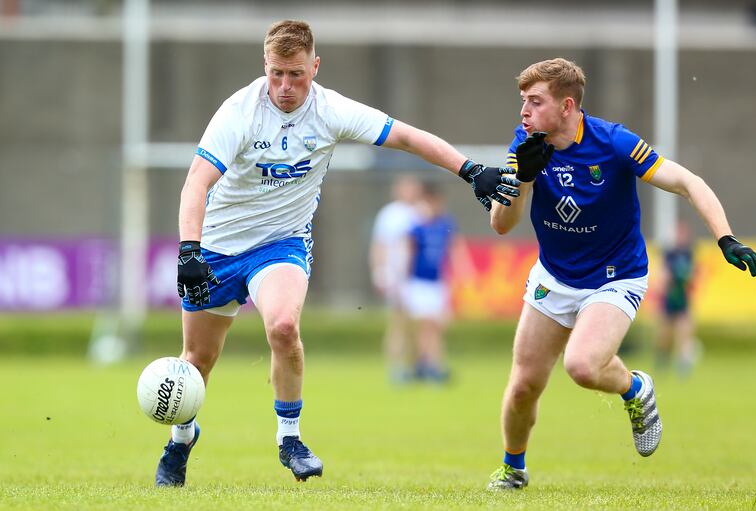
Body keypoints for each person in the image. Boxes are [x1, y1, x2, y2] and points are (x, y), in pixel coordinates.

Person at [157, 19, 521, 487]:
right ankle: (181, 440)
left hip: (280, 243)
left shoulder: (331, 111)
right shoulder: (239, 112)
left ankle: (290, 439)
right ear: (264, 65)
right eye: (276, 74)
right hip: (218, 247)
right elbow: (196, 182)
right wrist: (189, 250)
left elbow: (407, 137)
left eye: (296, 74)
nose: (285, 86)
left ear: (315, 67)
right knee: (197, 360)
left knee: (283, 327)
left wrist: (469, 170)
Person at [486, 58, 756, 490]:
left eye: (535, 101)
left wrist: (725, 238)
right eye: (523, 100)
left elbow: (687, 182)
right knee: (524, 385)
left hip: (615, 276)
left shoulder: (613, 142)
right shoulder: (525, 144)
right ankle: (513, 468)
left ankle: (635, 389)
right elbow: (502, 224)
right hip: (554, 276)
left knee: (582, 366)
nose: (524, 111)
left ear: (567, 105)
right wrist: (522, 177)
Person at [403, 183, 474, 383]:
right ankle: (429, 366)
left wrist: (463, 272)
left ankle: (425, 366)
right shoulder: (417, 227)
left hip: (437, 283)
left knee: (436, 326)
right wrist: (403, 280)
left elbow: (455, 249)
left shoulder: (445, 225)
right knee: (426, 325)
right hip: (419, 282)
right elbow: (409, 252)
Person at [369, 175, 423, 383]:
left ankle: (416, 365)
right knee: (398, 322)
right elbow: (379, 245)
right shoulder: (390, 214)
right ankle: (396, 367)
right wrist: (380, 272)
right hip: (396, 275)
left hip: (417, 276)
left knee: (417, 325)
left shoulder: (420, 213)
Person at [655, 221, 701, 376]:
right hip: (669, 298)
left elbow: (693, 275)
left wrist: (687, 278)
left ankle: (683, 364)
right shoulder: (669, 253)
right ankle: (662, 360)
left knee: (685, 332)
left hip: (683, 298)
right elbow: (663, 275)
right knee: (665, 335)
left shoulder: (690, 253)